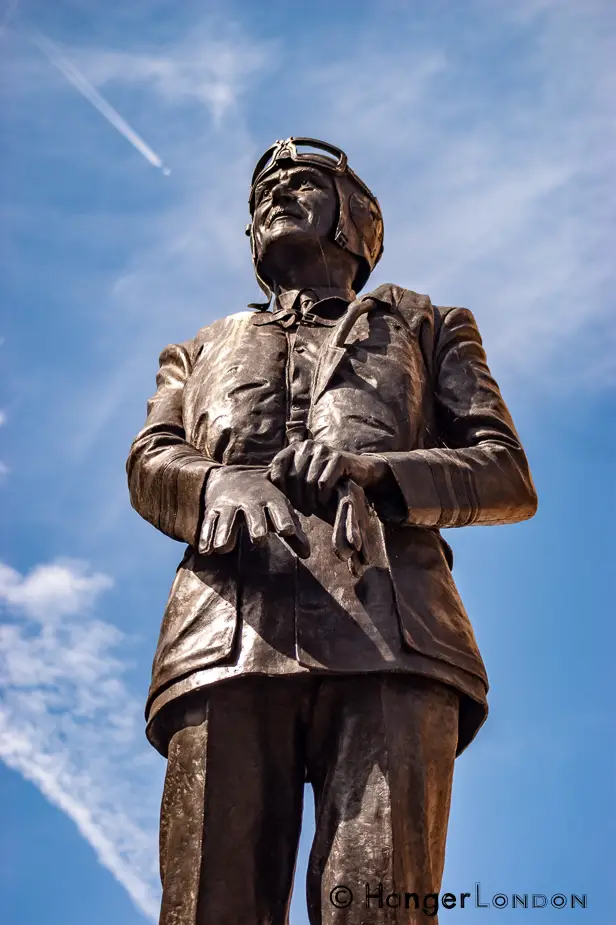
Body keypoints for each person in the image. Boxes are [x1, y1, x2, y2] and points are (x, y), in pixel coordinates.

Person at [127, 137, 538, 925]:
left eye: (303, 182)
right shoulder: (197, 348)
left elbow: (504, 473)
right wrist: (220, 480)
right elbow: (151, 459)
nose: (275, 195)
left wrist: (381, 472)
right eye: (263, 193)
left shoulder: (428, 324)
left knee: (377, 904)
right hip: (223, 637)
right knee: (210, 904)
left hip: (396, 629)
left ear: (358, 220)